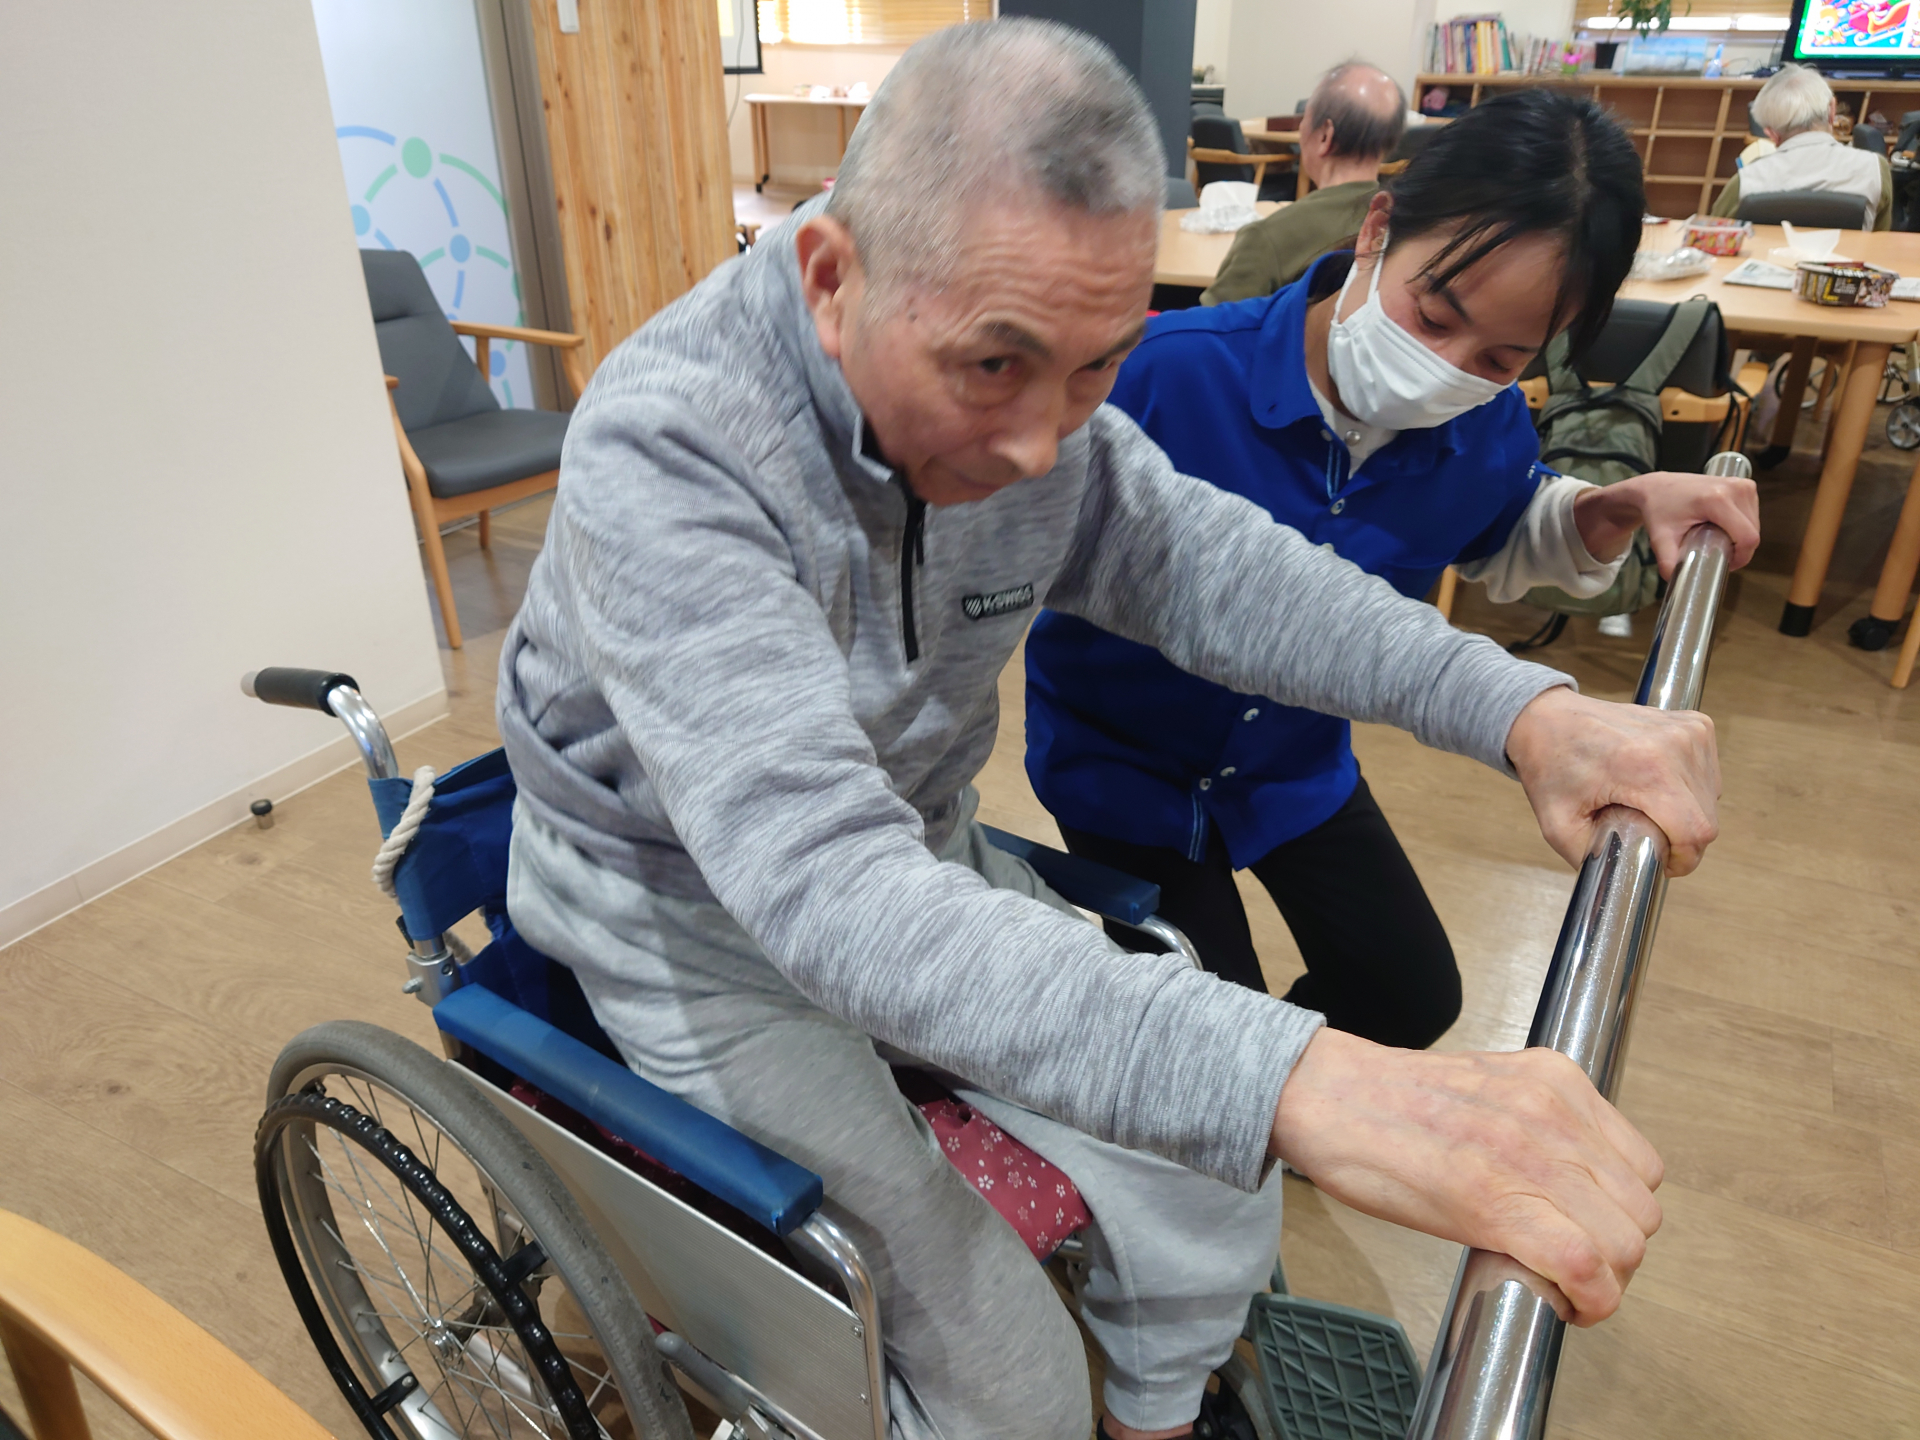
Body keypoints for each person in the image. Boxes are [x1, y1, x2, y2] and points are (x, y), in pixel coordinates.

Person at [500, 22, 1710, 1440]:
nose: (1040, 447)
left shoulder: (1042, 410)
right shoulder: (673, 450)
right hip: (694, 923)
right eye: (993, 366)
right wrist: (1302, 1075)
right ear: (830, 277)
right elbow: (821, 883)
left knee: (1214, 1191)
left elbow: (1210, 564)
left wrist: (1527, 711)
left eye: (1094, 371)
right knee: (1008, 1377)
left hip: (920, 848)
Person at [1025, 88, 1759, 1054]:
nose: (1444, 367)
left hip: (1293, 766)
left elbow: (1499, 525)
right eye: (1434, 314)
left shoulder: (1481, 422)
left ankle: (1288, 1091)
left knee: (1410, 995)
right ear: (1377, 229)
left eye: (1501, 356)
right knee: (1212, 1027)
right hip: (1123, 770)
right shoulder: (1164, 374)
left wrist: (1610, 504)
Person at [1202, 62, 1406, 305]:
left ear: (1325, 136)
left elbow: (1214, 324)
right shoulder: (1406, 230)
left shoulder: (1268, 239)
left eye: (1304, 120)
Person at [1710, 63, 1892, 229]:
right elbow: (1881, 240)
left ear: (1771, 133)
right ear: (1832, 110)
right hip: (1847, 256)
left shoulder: (1746, 180)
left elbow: (1713, 236)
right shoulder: (1875, 169)